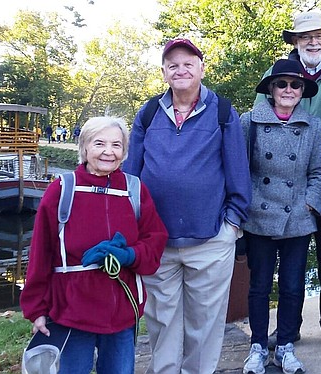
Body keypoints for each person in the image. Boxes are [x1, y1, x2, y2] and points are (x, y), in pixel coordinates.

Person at [123, 38, 251, 374]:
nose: (181, 70)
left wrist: (231, 226)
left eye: (188, 63)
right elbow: (130, 177)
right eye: (173, 65)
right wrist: (132, 227)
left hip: (210, 241)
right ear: (164, 72)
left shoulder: (223, 112)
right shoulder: (148, 113)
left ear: (201, 69)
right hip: (157, 244)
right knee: (162, 324)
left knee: (204, 325)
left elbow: (239, 174)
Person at [20, 116, 168, 373]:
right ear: (84, 148)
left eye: (116, 145)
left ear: (124, 152)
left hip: (121, 311)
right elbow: (40, 254)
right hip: (72, 311)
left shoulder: (134, 189)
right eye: (99, 143)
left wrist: (129, 255)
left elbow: (155, 241)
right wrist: (36, 308)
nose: (108, 152)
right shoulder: (62, 189)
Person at [256, 10, 321, 353]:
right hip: (280, 185)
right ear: (295, 41)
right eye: (305, 36)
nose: (313, 42)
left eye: (319, 35)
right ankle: (288, 329)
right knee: (287, 264)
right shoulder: (277, 73)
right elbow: (258, 120)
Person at [241, 58, 321, 374]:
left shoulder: (313, 125)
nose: (288, 89)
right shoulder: (249, 121)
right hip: (258, 215)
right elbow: (239, 170)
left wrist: (310, 204)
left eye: (295, 85)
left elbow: (318, 171)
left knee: (293, 286)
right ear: (271, 89)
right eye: (282, 84)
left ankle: (286, 346)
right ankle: (258, 347)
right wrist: (244, 206)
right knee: (259, 286)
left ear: (302, 90)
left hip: (298, 219)